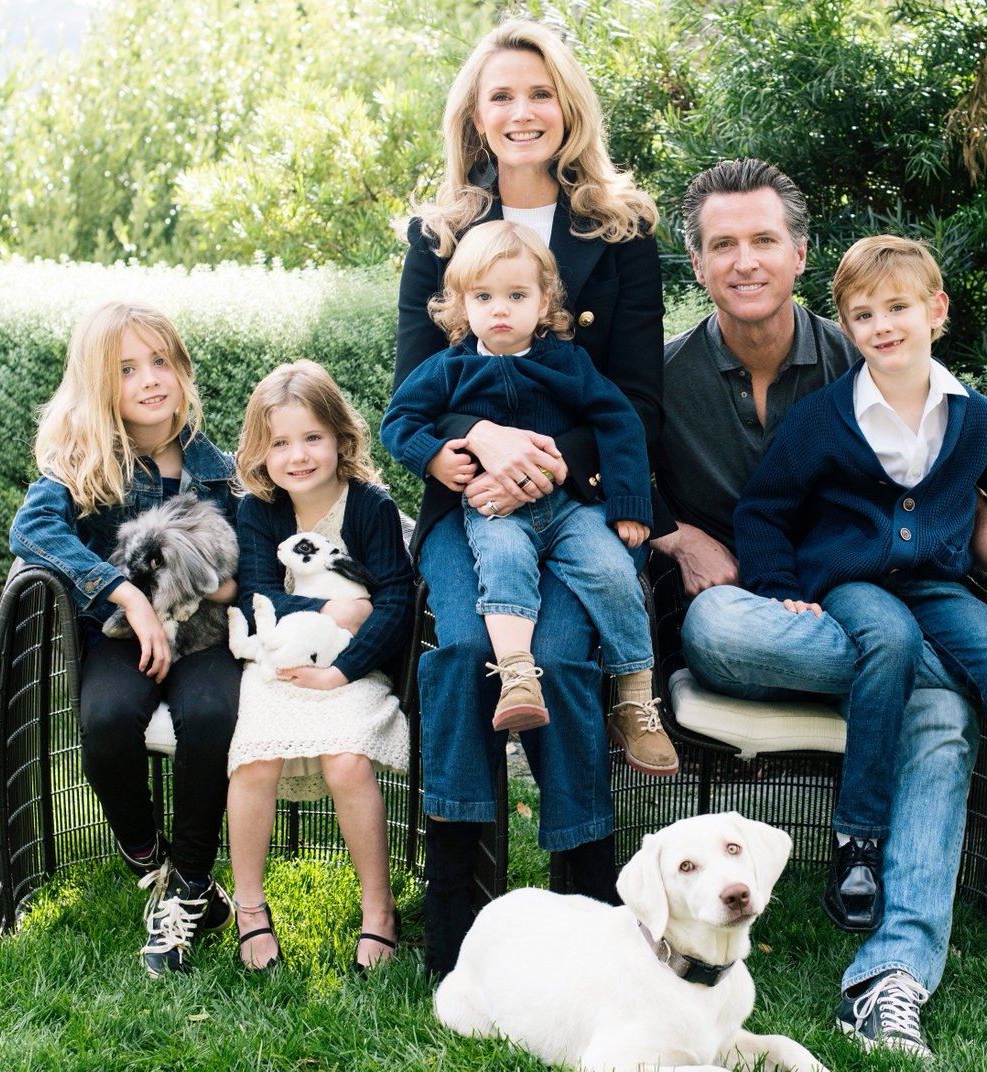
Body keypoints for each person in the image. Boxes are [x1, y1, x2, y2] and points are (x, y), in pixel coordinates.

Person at [651, 160, 987, 1057]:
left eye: (764, 239)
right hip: (766, 621)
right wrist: (678, 538)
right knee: (717, 622)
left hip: (887, 618)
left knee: (936, 708)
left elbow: (972, 493)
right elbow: (614, 485)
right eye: (723, 244)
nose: (745, 260)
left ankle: (891, 978)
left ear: (800, 254)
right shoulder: (663, 374)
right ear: (697, 263)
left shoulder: (866, 353)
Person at [734, 234, 987, 934]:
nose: (882, 326)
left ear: (936, 310)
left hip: (938, 586)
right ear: (847, 327)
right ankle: (857, 845)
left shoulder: (974, 418)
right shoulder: (822, 419)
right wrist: (776, 586)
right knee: (889, 642)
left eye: (898, 307)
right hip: (853, 584)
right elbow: (764, 509)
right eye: (863, 315)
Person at [394, 17, 664, 979]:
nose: (521, 112)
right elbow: (412, 392)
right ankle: (456, 919)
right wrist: (480, 448)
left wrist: (548, 465)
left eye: (540, 93)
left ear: (568, 107)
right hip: (468, 506)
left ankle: (587, 908)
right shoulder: (436, 236)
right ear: (476, 114)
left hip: (574, 504)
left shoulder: (619, 233)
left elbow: (634, 398)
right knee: (468, 649)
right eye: (501, 95)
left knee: (556, 656)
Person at [382, 220, 671, 771]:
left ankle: (635, 699)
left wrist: (630, 503)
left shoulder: (566, 362)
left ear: (544, 304)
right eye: (484, 297)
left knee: (611, 569)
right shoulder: (448, 369)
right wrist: (436, 456)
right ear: (460, 305)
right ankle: (517, 677)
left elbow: (619, 421)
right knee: (504, 560)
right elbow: (399, 421)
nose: (500, 310)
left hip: (571, 507)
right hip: (493, 507)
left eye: (516, 296)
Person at [8, 300, 240, 977]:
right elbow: (32, 531)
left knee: (212, 714)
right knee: (107, 718)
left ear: (181, 369)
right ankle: (151, 860)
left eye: (160, 361)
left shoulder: (218, 469)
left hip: (202, 634)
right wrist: (126, 592)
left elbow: (255, 547)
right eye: (127, 369)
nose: (150, 380)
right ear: (97, 382)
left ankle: (189, 887)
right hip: (118, 634)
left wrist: (223, 588)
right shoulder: (85, 467)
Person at [226, 360, 413, 973]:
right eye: (280, 442)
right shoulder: (259, 510)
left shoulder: (370, 506)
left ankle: (379, 909)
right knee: (253, 759)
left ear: (340, 436)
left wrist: (342, 670)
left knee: (347, 761)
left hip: (355, 667)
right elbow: (256, 594)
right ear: (261, 451)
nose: (298, 455)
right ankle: (249, 909)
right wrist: (328, 607)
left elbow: (395, 600)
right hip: (278, 663)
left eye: (312, 437)